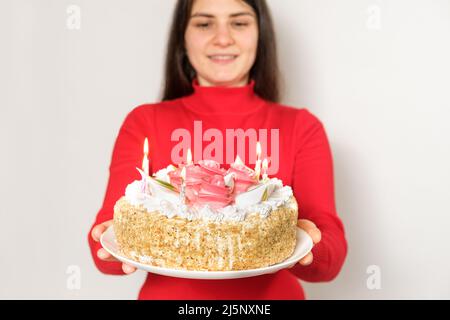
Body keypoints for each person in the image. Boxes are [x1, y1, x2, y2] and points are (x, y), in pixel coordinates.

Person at [88, 0, 347, 299]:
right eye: (204, 23)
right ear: (182, 37)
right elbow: (102, 247)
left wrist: (306, 241)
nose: (222, 38)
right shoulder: (145, 121)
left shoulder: (301, 126)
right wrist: (116, 235)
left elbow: (331, 259)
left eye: (239, 23)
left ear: (260, 35)